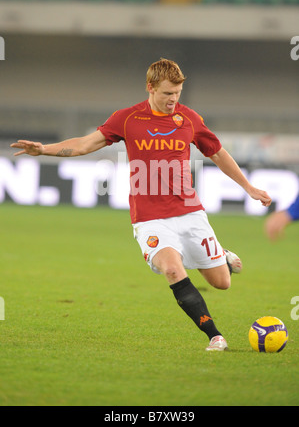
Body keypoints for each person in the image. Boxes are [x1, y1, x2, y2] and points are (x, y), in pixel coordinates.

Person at [11, 58, 272, 351]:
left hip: (189, 212)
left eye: (177, 93)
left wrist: (248, 187)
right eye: (167, 93)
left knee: (222, 283)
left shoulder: (189, 119)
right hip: (149, 218)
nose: (173, 100)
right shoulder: (127, 118)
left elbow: (218, 153)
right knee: (173, 270)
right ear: (150, 87)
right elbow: (85, 144)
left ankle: (220, 255)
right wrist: (44, 149)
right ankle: (215, 335)